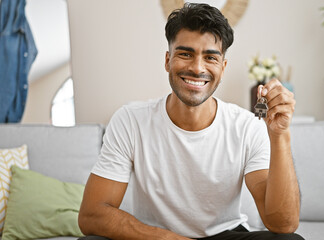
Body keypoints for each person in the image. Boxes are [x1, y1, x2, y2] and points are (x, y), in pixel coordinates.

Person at [78, 3, 303, 240]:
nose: (197, 68)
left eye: (210, 58)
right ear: (168, 60)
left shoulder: (247, 126)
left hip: (224, 235)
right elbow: (92, 215)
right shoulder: (130, 121)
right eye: (185, 54)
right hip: (155, 237)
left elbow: (283, 223)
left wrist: (280, 135)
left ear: (223, 67)